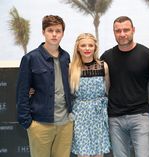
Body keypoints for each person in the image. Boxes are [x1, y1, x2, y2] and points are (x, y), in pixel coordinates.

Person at [16, 15, 73, 157]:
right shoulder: (30, 58)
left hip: (65, 124)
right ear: (43, 32)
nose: (54, 34)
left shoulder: (66, 57)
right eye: (50, 30)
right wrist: (28, 123)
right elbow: (22, 92)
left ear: (62, 33)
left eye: (58, 31)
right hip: (40, 124)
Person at [100, 16, 149, 157]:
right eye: (118, 31)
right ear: (114, 32)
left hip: (140, 116)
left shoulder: (147, 55)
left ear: (133, 30)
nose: (122, 34)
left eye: (126, 30)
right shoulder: (106, 57)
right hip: (115, 118)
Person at [69, 33, 110, 157]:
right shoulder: (71, 68)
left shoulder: (103, 66)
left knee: (99, 153)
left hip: (99, 113)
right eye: (83, 45)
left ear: (95, 48)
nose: (87, 48)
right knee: (83, 153)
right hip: (80, 114)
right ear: (78, 48)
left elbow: (107, 89)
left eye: (90, 45)